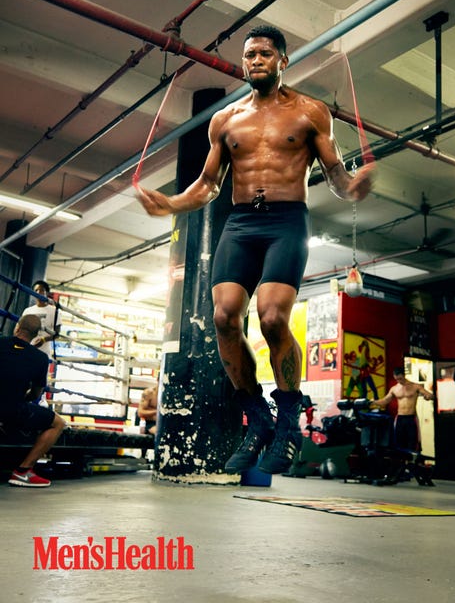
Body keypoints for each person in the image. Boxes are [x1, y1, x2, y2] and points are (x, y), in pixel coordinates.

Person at [137, 24, 375, 474]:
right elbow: (208, 186)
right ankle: (258, 417)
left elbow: (339, 179)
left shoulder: (310, 112)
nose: (255, 61)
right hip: (241, 222)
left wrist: (354, 186)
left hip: (286, 222)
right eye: (249, 55)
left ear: (282, 61)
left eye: (265, 53)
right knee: (225, 317)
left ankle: (288, 420)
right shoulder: (225, 121)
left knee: (271, 315)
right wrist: (171, 203)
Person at [0, 314, 66, 487]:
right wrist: (19, 399)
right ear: (36, 335)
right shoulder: (40, 359)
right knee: (58, 423)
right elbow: (36, 394)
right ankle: (23, 471)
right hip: (12, 410)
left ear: (17, 327)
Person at [369, 366, 434, 452]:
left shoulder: (415, 386)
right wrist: (373, 402)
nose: (399, 381)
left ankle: (411, 464)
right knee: (399, 444)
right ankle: (402, 464)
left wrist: (428, 396)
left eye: (400, 378)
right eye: (396, 379)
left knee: (412, 443)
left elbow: (431, 395)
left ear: (404, 375)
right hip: (400, 418)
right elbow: (384, 401)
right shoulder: (394, 389)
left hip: (411, 418)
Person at [22, 280, 62, 359]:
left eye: (42, 290)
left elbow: (57, 334)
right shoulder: (28, 311)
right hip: (27, 350)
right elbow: (21, 329)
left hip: (43, 353)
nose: (38, 292)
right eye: (36, 290)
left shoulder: (54, 311)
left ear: (47, 293)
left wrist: (44, 340)